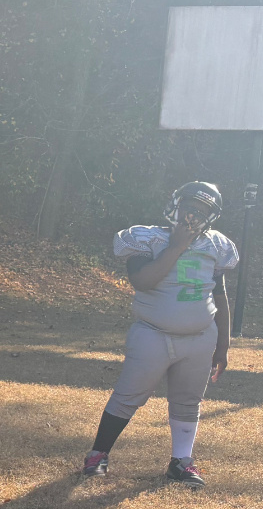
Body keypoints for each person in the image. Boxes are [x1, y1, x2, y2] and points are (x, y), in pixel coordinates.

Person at [82, 181, 236, 487]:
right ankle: (98, 454)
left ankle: (181, 462)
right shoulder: (149, 238)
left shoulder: (216, 245)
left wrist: (223, 344)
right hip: (153, 333)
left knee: (188, 401)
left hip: (200, 337)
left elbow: (219, 297)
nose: (194, 214)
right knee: (128, 395)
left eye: (202, 210)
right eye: (190, 206)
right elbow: (143, 281)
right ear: (176, 204)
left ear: (212, 217)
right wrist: (176, 245)